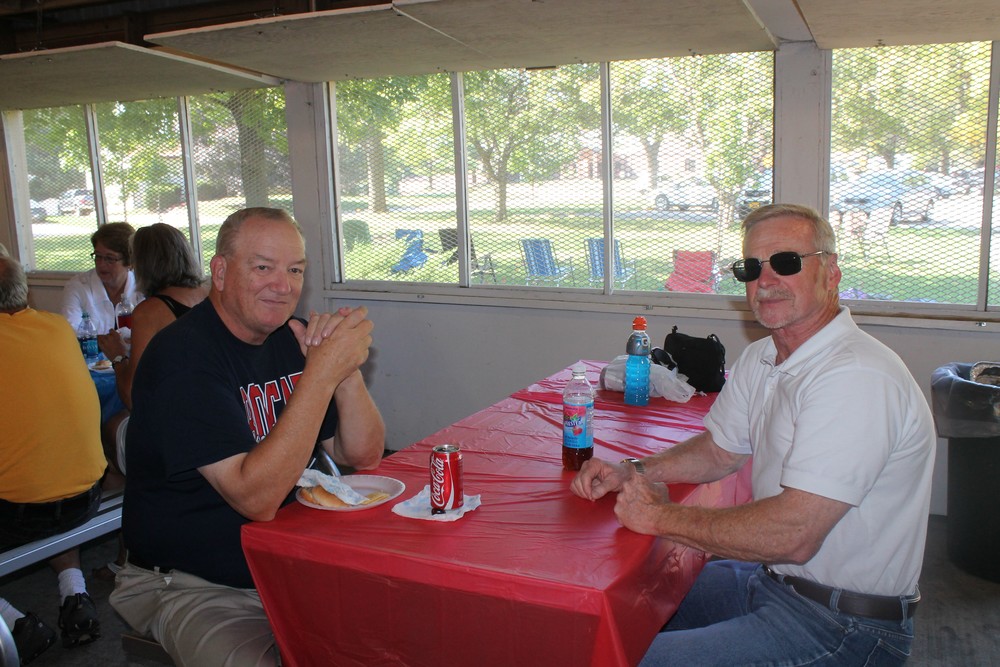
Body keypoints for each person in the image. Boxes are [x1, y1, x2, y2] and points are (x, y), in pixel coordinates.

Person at [571, 203, 935, 666]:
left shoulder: (856, 376)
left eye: (786, 262)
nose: (765, 280)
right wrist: (634, 471)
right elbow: (720, 451)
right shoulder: (764, 356)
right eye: (750, 267)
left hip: (845, 625)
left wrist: (659, 516)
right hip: (773, 582)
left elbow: (794, 534)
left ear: (831, 273)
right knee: (615, 611)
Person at [111, 207, 386, 666]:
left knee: (403, 630)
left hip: (289, 559)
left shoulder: (288, 338)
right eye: (263, 267)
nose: (283, 285)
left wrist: (345, 372)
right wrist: (321, 375)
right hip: (192, 583)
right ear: (220, 272)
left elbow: (363, 454)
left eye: (295, 270)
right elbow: (255, 499)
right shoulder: (184, 358)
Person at [0, 255, 107, 664]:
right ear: (24, 290)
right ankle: (74, 593)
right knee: (45, 467)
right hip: (86, 498)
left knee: (30, 478)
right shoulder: (58, 328)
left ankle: (13, 623)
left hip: (18, 513)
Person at [97, 223, 210, 476]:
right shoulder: (210, 296)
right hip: (212, 414)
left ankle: (125, 494)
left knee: (107, 427)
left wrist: (117, 356)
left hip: (179, 428)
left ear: (143, 264)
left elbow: (134, 397)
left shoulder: (150, 311)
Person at [61, 221, 140, 333]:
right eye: (98, 256)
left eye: (110, 258)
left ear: (129, 262)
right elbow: (71, 332)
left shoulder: (142, 287)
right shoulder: (77, 286)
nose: (101, 264)